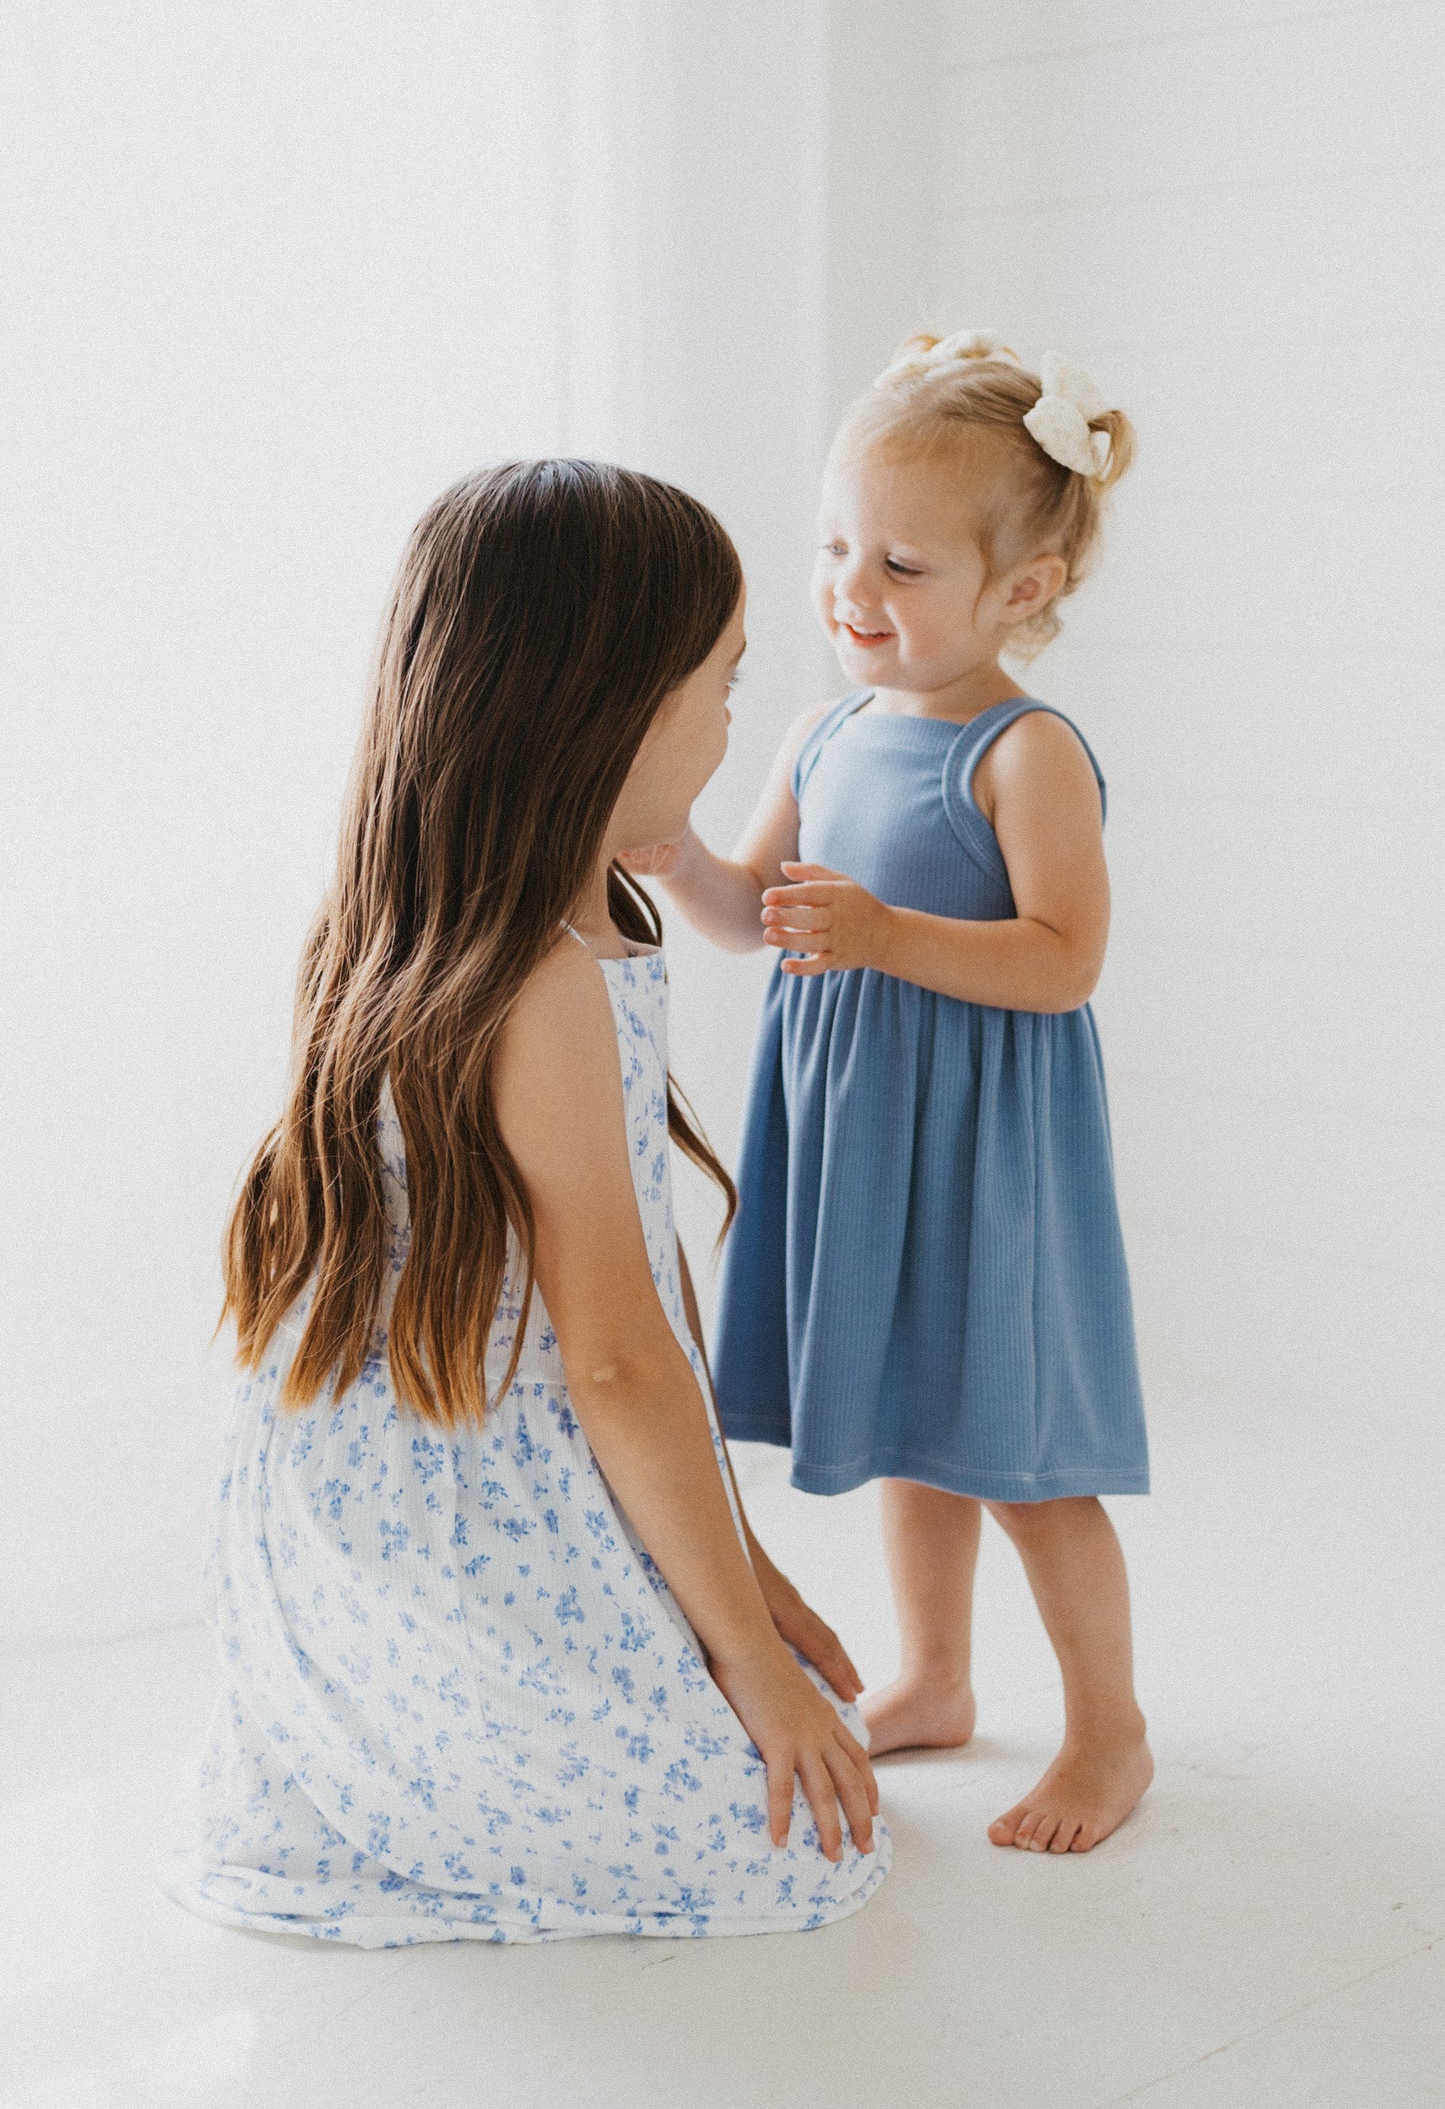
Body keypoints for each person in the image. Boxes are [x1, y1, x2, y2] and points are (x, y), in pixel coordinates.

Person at [164, 459, 885, 1944]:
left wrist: (741, 1581)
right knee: (782, 1850)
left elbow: (641, 1314)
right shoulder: (541, 980)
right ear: (613, 704)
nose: (733, 716)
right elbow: (617, 1356)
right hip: (450, 1494)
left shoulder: (553, 908)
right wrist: (742, 1662)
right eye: (723, 683)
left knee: (801, 1760)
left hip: (468, 1463)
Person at [632, 334, 1152, 1855]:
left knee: (1016, 1450)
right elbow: (749, 912)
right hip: (861, 1139)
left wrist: (881, 934)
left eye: (903, 562)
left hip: (985, 1152)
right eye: (835, 545)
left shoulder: (1023, 750)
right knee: (911, 1424)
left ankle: (1108, 1731)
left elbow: (1064, 959)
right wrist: (674, 850)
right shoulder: (825, 729)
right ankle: (930, 1673)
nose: (851, 586)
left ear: (1022, 590)